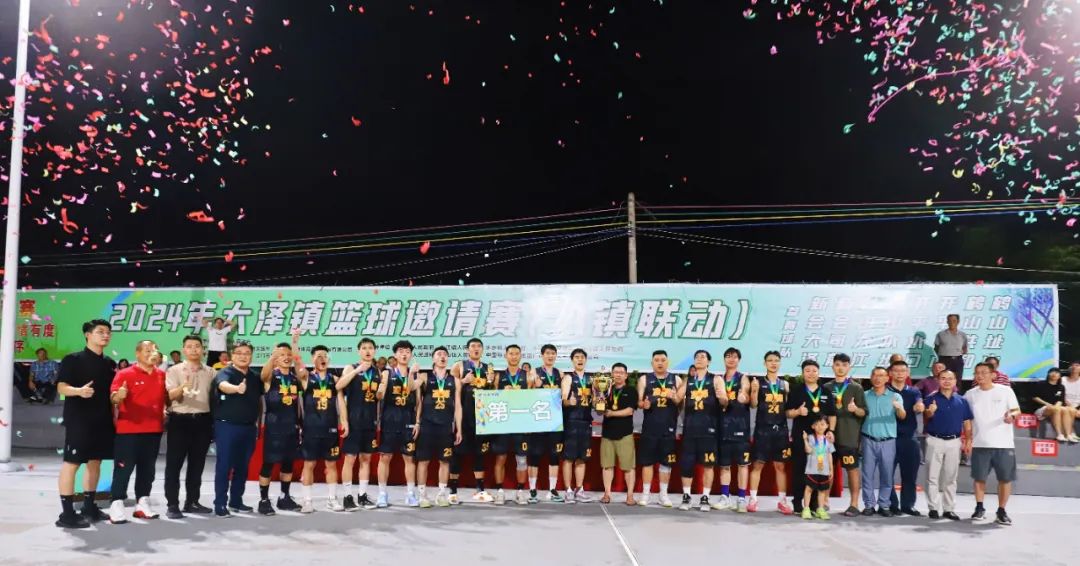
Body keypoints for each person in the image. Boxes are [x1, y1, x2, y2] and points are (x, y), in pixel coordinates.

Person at [55, 319, 116, 529]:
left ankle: (89, 507)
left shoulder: (109, 363)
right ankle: (67, 513)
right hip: (79, 420)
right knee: (72, 463)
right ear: (87, 335)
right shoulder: (72, 359)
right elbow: (61, 387)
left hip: (102, 420)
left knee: (95, 462)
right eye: (100, 332)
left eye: (108, 332)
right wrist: (79, 391)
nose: (105, 335)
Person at [107, 340, 168, 524]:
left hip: (154, 429)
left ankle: (142, 503)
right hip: (129, 430)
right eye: (147, 350)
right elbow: (114, 397)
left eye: (154, 350)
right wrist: (119, 395)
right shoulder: (125, 374)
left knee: (147, 470)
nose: (152, 353)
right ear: (138, 353)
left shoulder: (161, 375)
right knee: (123, 469)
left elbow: (166, 398)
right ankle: (116, 503)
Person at [163, 335, 216, 519]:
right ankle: (172, 504)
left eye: (197, 346)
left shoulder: (211, 372)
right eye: (190, 346)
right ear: (183, 349)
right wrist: (182, 387)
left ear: (203, 350)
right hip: (180, 421)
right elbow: (170, 396)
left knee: (197, 465)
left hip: (203, 421)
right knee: (174, 465)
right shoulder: (174, 370)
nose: (194, 349)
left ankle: (192, 502)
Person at [211, 340, 262, 517]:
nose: (243, 356)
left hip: (248, 428)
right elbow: (223, 386)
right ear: (232, 356)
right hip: (227, 426)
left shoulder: (255, 376)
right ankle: (220, 503)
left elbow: (260, 401)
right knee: (224, 465)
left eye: (247, 353)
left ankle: (236, 501)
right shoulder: (225, 372)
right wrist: (237, 389)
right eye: (239, 353)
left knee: (242, 466)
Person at [965, 362, 1020, 525]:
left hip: (1003, 443)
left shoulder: (1005, 391)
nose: (980, 375)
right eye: (977, 373)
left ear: (993, 375)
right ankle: (979, 508)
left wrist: (1012, 416)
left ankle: (1001, 511)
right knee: (979, 478)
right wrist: (967, 439)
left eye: (984, 372)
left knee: (1005, 479)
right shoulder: (970, 394)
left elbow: (1016, 410)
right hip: (980, 443)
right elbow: (966, 418)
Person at [256, 340, 303, 515]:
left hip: (291, 427)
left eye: (288, 355)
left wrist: (295, 345)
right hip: (274, 428)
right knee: (268, 464)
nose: (286, 357)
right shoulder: (271, 377)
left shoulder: (294, 378)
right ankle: (264, 500)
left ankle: (284, 497)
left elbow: (301, 370)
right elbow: (263, 376)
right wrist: (272, 356)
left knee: (288, 464)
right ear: (276, 358)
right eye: (282, 355)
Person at [785, 359, 837, 515]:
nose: (811, 373)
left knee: (818, 469)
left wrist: (831, 430)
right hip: (801, 437)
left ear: (819, 373)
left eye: (814, 370)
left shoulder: (826, 391)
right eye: (807, 370)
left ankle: (815, 504)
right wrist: (797, 412)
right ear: (802, 373)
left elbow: (832, 414)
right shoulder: (796, 391)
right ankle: (797, 502)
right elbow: (787, 413)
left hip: (820, 439)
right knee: (799, 469)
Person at [414, 346, 463, 508]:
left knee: (445, 461)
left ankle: (441, 494)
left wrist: (459, 429)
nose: (442, 357)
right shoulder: (424, 376)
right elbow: (413, 392)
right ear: (433, 359)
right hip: (427, 425)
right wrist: (411, 374)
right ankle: (422, 495)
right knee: (423, 461)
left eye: (445, 355)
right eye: (439, 354)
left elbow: (458, 406)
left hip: (445, 427)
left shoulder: (454, 380)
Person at [298, 345, 344, 513]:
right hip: (311, 428)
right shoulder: (307, 377)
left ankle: (332, 499)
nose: (322, 358)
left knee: (331, 464)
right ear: (312, 359)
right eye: (318, 356)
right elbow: (297, 364)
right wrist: (295, 343)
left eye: (325, 355)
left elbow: (341, 401)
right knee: (309, 464)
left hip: (330, 428)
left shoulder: (335, 379)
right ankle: (307, 501)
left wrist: (344, 421)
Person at [375, 340, 422, 508]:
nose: (404, 354)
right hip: (390, 420)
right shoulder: (387, 373)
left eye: (407, 351)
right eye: (401, 351)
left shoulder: (416, 375)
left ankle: (410, 494)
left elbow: (418, 401)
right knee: (385, 457)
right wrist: (379, 391)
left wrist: (417, 422)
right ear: (395, 355)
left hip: (408, 421)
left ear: (411, 355)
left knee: (409, 458)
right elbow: (380, 396)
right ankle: (382, 494)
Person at [336, 337, 381, 510]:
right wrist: (356, 371)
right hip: (354, 421)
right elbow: (338, 386)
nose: (367, 351)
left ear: (374, 351)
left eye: (370, 348)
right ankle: (347, 497)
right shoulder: (351, 367)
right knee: (350, 459)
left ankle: (362, 495)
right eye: (364, 348)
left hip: (370, 422)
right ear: (359, 351)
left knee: (366, 459)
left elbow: (378, 398)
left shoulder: (377, 372)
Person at [448, 337, 494, 504]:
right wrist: (463, 381)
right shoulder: (459, 366)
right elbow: (449, 388)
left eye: (479, 346)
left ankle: (480, 490)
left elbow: (493, 394)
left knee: (480, 454)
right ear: (467, 349)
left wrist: (491, 382)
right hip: (463, 416)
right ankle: (453, 491)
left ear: (482, 350)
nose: (476, 348)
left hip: (482, 418)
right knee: (457, 454)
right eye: (473, 346)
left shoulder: (488, 368)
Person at [922, 370, 972, 520]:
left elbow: (967, 422)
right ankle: (933, 508)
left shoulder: (962, 401)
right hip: (934, 440)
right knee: (932, 476)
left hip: (954, 441)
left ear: (955, 381)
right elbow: (926, 417)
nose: (947, 381)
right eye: (943, 378)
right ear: (938, 381)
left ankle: (949, 509)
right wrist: (930, 412)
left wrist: (968, 440)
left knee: (951, 477)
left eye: (950, 378)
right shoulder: (930, 399)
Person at [676, 349, 722, 512]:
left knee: (708, 465)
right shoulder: (688, 380)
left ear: (709, 362)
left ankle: (705, 497)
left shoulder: (716, 379)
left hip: (709, 430)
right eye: (696, 357)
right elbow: (677, 398)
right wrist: (672, 395)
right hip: (690, 429)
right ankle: (686, 496)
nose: (699, 359)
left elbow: (724, 401)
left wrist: (723, 398)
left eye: (703, 357)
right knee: (687, 465)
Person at [748, 351, 792, 514]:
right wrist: (753, 392)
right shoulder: (758, 383)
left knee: (780, 466)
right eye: (770, 360)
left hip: (780, 430)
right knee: (758, 464)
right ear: (764, 363)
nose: (773, 363)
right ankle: (753, 499)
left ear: (780, 363)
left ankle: (782, 500)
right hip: (763, 430)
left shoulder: (785, 385)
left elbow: (787, 409)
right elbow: (753, 405)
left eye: (776, 360)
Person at [824, 353, 867, 517]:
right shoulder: (826, 387)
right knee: (826, 469)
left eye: (844, 365)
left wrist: (855, 409)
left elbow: (864, 412)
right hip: (829, 436)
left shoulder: (856, 388)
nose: (840, 368)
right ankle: (824, 502)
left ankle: (854, 504)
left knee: (852, 469)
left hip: (849, 436)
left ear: (849, 367)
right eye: (837, 364)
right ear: (833, 367)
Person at [859, 366, 905, 517]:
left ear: (887, 378)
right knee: (867, 474)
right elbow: (859, 414)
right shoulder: (864, 395)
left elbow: (902, 416)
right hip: (868, 439)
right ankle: (869, 505)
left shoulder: (895, 396)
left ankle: (884, 505)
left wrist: (899, 408)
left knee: (887, 474)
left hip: (888, 441)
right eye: (875, 375)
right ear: (871, 377)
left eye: (881, 375)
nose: (878, 378)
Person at [636, 350, 679, 508]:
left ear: (668, 362)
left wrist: (675, 397)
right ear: (652, 363)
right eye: (656, 360)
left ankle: (663, 495)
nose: (660, 363)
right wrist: (644, 404)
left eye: (663, 360)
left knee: (666, 463)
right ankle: (645, 494)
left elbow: (681, 402)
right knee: (647, 462)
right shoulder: (644, 379)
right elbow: (639, 402)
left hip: (669, 427)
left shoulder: (676, 379)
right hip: (650, 427)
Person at [491, 344, 531, 505]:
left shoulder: (528, 376)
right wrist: (502, 393)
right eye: (511, 353)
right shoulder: (498, 377)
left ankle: (520, 491)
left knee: (521, 460)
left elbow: (534, 399)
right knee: (500, 458)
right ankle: (500, 492)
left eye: (516, 354)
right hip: (503, 423)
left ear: (520, 356)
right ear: (506, 356)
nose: (514, 356)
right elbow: (491, 398)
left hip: (521, 423)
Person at [527, 344, 565, 503]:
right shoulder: (534, 372)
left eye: (553, 353)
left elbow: (564, 396)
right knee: (534, 455)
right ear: (542, 355)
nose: (550, 356)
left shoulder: (560, 374)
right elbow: (526, 395)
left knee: (554, 456)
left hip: (555, 421)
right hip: (538, 420)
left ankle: (552, 489)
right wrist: (533, 386)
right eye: (547, 353)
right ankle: (532, 490)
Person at [716, 347, 752, 512]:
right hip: (722, 427)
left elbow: (746, 391)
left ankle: (742, 498)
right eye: (728, 356)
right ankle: (725, 496)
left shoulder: (743, 378)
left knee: (742, 465)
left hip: (740, 427)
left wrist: (744, 396)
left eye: (735, 357)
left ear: (739, 360)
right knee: (724, 465)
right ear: (724, 359)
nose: (731, 359)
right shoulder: (719, 379)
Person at [888, 360, 924, 516]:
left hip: (909, 438)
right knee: (887, 474)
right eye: (896, 370)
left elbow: (919, 404)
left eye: (903, 370)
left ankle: (908, 505)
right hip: (889, 438)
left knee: (910, 474)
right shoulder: (885, 391)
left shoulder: (914, 391)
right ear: (890, 373)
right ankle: (891, 504)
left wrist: (919, 407)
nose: (899, 374)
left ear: (908, 373)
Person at [561, 348, 596, 503]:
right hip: (571, 422)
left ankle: (579, 489)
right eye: (577, 357)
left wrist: (599, 401)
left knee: (582, 458)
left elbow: (596, 399)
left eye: (582, 357)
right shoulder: (568, 378)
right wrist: (569, 402)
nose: (580, 359)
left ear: (586, 360)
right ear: (572, 360)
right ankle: (568, 490)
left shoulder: (591, 379)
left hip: (586, 422)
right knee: (569, 458)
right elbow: (563, 401)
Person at [600, 363, 637, 505]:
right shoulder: (605, 390)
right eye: (616, 372)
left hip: (625, 433)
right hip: (607, 433)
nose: (618, 374)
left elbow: (629, 411)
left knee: (629, 467)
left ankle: (630, 496)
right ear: (612, 374)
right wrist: (599, 407)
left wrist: (611, 413)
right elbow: (600, 410)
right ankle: (607, 494)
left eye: (621, 372)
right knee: (607, 466)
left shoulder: (631, 390)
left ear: (626, 375)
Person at [800, 416, 835, 520]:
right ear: (813, 426)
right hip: (812, 470)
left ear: (827, 426)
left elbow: (829, 455)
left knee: (822, 491)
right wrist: (805, 440)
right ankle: (806, 509)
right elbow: (808, 450)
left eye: (822, 424)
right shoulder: (811, 438)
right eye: (817, 424)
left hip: (824, 470)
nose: (820, 426)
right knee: (808, 489)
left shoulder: (828, 440)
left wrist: (831, 469)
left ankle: (820, 509)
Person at [1033, 368, 1071, 442]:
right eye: (1052, 372)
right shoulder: (1040, 384)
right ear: (1048, 374)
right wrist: (1046, 404)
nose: (1054, 374)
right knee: (1056, 409)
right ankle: (1059, 434)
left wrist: (1055, 407)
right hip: (1040, 409)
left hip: (1054, 409)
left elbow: (1060, 400)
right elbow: (1034, 397)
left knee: (1065, 409)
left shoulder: (1061, 387)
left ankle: (1068, 434)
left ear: (1059, 376)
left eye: (1057, 373)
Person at [934, 314, 968, 381]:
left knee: (957, 380)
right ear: (947, 322)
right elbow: (936, 348)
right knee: (943, 379)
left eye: (954, 321)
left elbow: (965, 348)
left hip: (958, 360)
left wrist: (958, 352)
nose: (952, 323)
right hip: (944, 360)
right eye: (949, 321)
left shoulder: (962, 335)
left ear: (958, 322)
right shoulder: (941, 334)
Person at [1063, 362, 1080, 442]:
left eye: (1077, 365)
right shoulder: (1063, 379)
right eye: (1072, 365)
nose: (1074, 367)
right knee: (1069, 410)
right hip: (1064, 405)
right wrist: (1068, 404)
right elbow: (1059, 394)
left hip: (1077, 406)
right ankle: (1071, 433)